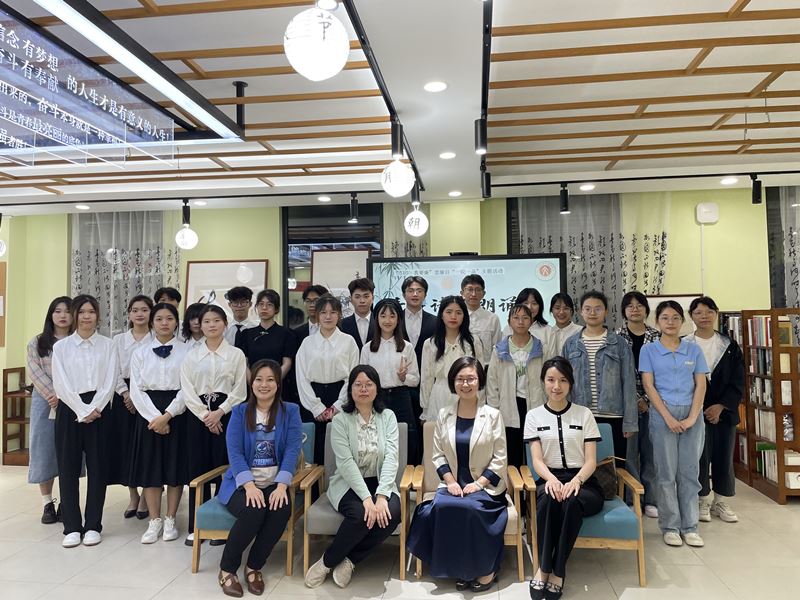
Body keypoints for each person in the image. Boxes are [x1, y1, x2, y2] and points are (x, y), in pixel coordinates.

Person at [407, 356, 507, 592]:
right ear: (453, 382)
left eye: (471, 378)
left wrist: (478, 484)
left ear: (479, 381)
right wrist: (451, 482)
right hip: (453, 485)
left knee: (470, 508)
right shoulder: (444, 414)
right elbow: (438, 455)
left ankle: (486, 570)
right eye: (460, 379)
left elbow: (500, 458)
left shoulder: (493, 415)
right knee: (443, 506)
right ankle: (461, 569)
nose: (465, 384)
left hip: (485, 487)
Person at [304, 365, 401, 589]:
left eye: (369, 384)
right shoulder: (340, 420)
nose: (363, 389)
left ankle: (350, 560)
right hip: (348, 482)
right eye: (358, 385)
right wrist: (367, 499)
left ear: (377, 388)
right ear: (350, 390)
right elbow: (346, 463)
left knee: (392, 513)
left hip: (380, 480)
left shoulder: (388, 417)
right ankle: (327, 562)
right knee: (359, 515)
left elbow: (391, 457)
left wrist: (382, 496)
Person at [217, 360, 303, 598]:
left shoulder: (291, 411)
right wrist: (249, 485)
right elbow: (234, 452)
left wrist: (282, 485)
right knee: (253, 509)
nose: (264, 385)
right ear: (251, 383)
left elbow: (292, 450)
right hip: (241, 484)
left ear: (278, 384)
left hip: (275, 482)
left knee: (281, 509)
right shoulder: (239, 412)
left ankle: (254, 567)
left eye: (270, 380)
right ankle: (227, 569)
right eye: (259, 379)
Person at [525, 357, 604, 600]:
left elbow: (591, 460)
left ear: (570, 383)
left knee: (571, 501)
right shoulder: (534, 416)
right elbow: (537, 460)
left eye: (563, 380)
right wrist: (550, 479)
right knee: (548, 501)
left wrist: (576, 481)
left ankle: (557, 572)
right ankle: (543, 569)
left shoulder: (584, 414)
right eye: (551, 380)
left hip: (584, 481)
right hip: (549, 478)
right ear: (543, 382)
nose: (556, 386)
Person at [52, 295, 118, 548]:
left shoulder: (108, 345)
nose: (86, 316)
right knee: (67, 468)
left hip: (100, 410)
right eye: (81, 312)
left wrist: (95, 408)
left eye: (91, 312)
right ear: (74, 315)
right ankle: (71, 527)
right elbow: (61, 384)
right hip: (70, 408)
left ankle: (93, 525)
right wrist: (82, 410)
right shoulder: (62, 347)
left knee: (98, 469)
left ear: (97, 316)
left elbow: (110, 380)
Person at [640, 301, 708, 548]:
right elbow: (649, 386)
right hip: (662, 414)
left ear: (683, 321)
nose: (670, 322)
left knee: (689, 472)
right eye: (665, 318)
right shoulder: (649, 350)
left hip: (692, 414)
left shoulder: (693, 350)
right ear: (657, 321)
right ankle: (670, 526)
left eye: (676, 317)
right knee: (666, 473)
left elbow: (701, 385)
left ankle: (690, 527)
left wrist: (692, 417)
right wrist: (668, 417)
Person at [181, 304, 249, 545]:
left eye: (216, 320)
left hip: (228, 415)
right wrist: (206, 416)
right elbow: (187, 390)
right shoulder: (191, 356)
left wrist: (219, 412)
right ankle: (196, 526)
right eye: (206, 321)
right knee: (197, 468)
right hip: (197, 416)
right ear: (200, 325)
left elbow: (240, 391)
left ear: (225, 324)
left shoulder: (236, 355)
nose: (211, 325)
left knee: (225, 467)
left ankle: (222, 524)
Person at [128, 302, 191, 544]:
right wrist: (155, 417)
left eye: (169, 318)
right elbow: (136, 389)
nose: (164, 323)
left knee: (175, 466)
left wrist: (168, 415)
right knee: (150, 466)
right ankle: (154, 520)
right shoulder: (140, 352)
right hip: (148, 413)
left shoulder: (187, 351)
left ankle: (170, 518)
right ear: (152, 323)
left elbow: (188, 387)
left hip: (177, 411)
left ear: (177, 323)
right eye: (159, 319)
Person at [685, 296, 744, 525]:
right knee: (699, 457)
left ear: (716, 313)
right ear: (691, 316)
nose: (704, 316)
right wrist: (698, 408)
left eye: (709, 311)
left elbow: (738, 380)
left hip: (724, 413)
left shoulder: (729, 345)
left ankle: (721, 501)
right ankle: (702, 500)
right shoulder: (684, 344)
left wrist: (721, 406)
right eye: (698, 312)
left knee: (723, 457)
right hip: (694, 412)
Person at [563, 291, 638, 461]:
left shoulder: (619, 344)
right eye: (587, 309)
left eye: (598, 309)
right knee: (581, 465)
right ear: (581, 312)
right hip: (580, 415)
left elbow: (628, 383)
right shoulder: (571, 344)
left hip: (613, 417)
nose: (592, 313)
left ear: (606, 312)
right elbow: (565, 383)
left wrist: (630, 422)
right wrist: (565, 416)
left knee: (613, 468)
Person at [295, 294, 359, 464]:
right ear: (317, 315)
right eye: (323, 312)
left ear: (339, 315)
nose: (328, 317)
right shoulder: (307, 343)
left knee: (342, 449)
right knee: (314, 450)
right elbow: (301, 378)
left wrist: (337, 406)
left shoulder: (348, 342)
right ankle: (314, 482)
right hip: (312, 399)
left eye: (333, 312)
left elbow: (353, 377)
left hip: (341, 396)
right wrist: (316, 408)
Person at [27, 296, 72, 524]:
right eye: (57, 311)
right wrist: (54, 395)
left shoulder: (77, 341)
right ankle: (47, 503)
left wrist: (64, 395)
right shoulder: (37, 342)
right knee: (43, 449)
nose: (62, 315)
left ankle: (67, 501)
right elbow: (34, 372)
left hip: (72, 401)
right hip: (45, 400)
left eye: (67, 311)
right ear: (50, 315)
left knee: (68, 451)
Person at [615, 291, 660, 518]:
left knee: (651, 454)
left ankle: (651, 500)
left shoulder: (657, 336)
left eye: (639, 305)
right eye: (630, 306)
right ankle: (633, 499)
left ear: (646, 309)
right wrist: (635, 399)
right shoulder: (616, 337)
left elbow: (662, 373)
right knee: (629, 455)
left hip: (655, 404)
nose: (635, 309)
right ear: (624, 311)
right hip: (627, 405)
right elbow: (617, 375)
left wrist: (648, 400)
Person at [360, 298, 420, 464]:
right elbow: (361, 378)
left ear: (398, 319)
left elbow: (415, 379)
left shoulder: (406, 347)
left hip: (401, 397)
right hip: (376, 399)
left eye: (392, 316)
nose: (387, 320)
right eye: (383, 316)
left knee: (406, 438)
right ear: (376, 319)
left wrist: (403, 378)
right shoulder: (368, 348)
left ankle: (408, 474)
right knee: (377, 440)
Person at [487, 304, 545, 468]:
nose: (520, 322)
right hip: (508, 405)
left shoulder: (541, 348)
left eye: (525, 318)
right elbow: (492, 382)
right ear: (509, 322)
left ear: (531, 321)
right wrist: (494, 410)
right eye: (516, 318)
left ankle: (535, 483)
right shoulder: (499, 350)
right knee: (512, 452)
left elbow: (548, 379)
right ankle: (514, 483)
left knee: (536, 450)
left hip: (535, 404)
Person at [112, 295, 154, 520]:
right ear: (129, 314)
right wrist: (126, 394)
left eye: (144, 310)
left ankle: (147, 497)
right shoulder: (118, 340)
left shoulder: (157, 338)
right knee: (126, 447)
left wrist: (138, 397)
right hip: (123, 397)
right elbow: (113, 370)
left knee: (147, 448)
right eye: (135, 310)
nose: (139, 314)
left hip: (149, 397)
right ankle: (133, 495)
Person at [420, 295, 483, 422]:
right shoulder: (430, 344)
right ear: (441, 315)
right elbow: (427, 378)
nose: (453, 316)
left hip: (467, 394)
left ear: (464, 316)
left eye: (458, 313)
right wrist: (425, 410)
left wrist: (480, 405)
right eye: (449, 312)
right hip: (439, 396)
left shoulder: (473, 341)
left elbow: (480, 377)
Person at [402, 275, 436, 463]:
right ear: (404, 294)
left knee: (426, 428)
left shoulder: (435, 321)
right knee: (405, 431)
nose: (415, 294)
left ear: (425, 294)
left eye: (419, 290)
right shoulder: (393, 318)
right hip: (401, 386)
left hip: (428, 385)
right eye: (410, 290)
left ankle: (423, 468)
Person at [236, 289, 297, 378]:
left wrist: (273, 381)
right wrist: (254, 382)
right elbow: (243, 363)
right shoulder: (246, 334)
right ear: (256, 307)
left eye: (269, 305)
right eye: (261, 304)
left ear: (276, 309)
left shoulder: (287, 334)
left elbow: (287, 363)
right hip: (253, 382)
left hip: (279, 382)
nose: (264, 308)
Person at [503, 288, 557, 360]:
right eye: (525, 303)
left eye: (534, 303)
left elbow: (552, 359)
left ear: (540, 306)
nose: (529, 307)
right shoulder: (508, 329)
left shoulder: (548, 330)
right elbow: (502, 355)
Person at [460, 274, 501, 365]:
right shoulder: (457, 318)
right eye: (470, 289)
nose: (473, 294)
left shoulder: (493, 319)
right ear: (462, 293)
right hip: (461, 368)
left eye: (478, 290)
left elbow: (497, 349)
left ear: (483, 294)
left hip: (486, 369)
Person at [339, 278, 375, 351]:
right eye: (357, 297)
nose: (362, 301)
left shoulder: (380, 323)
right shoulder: (342, 325)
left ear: (373, 298)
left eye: (366, 296)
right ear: (351, 299)